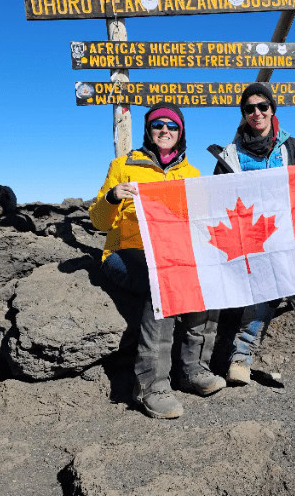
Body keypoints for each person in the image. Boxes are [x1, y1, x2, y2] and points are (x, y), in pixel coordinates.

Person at [90, 102, 225, 419]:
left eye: (172, 126)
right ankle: (150, 386)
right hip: (125, 253)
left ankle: (193, 370)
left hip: (172, 253)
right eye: (158, 125)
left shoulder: (191, 174)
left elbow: (201, 220)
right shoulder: (122, 166)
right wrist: (112, 198)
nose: (165, 130)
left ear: (181, 133)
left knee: (209, 275)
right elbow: (97, 221)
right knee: (162, 277)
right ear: (148, 130)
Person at [207, 83, 295, 386]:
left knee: (274, 273)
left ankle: (241, 359)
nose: (256, 113)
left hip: (283, 234)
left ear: (272, 109)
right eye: (249, 108)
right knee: (280, 272)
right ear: (243, 114)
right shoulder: (229, 155)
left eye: (262, 107)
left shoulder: (292, 147)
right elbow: (218, 199)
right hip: (246, 239)